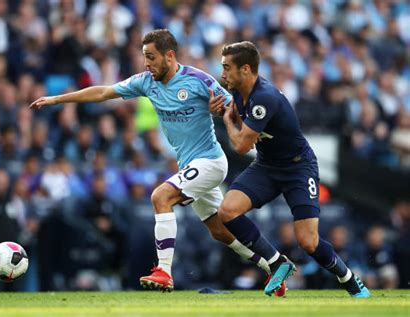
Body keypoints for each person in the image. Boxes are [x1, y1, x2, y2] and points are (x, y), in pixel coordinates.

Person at [30, 29, 287, 293]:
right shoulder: (145, 82)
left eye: (151, 57)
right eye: (145, 57)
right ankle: (274, 265)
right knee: (219, 231)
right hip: (190, 165)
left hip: (210, 161)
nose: (147, 63)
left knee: (160, 197)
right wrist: (58, 99)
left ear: (170, 56)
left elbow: (237, 107)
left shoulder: (198, 80)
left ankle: (164, 271)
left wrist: (222, 111)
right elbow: (104, 92)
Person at [209, 41, 370, 297]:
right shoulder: (239, 92)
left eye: (228, 68)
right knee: (227, 211)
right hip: (267, 166)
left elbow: (240, 144)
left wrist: (227, 120)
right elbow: (244, 121)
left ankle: (349, 278)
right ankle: (276, 262)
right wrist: (225, 113)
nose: (223, 74)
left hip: (298, 169)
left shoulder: (264, 97)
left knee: (308, 242)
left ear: (246, 69)